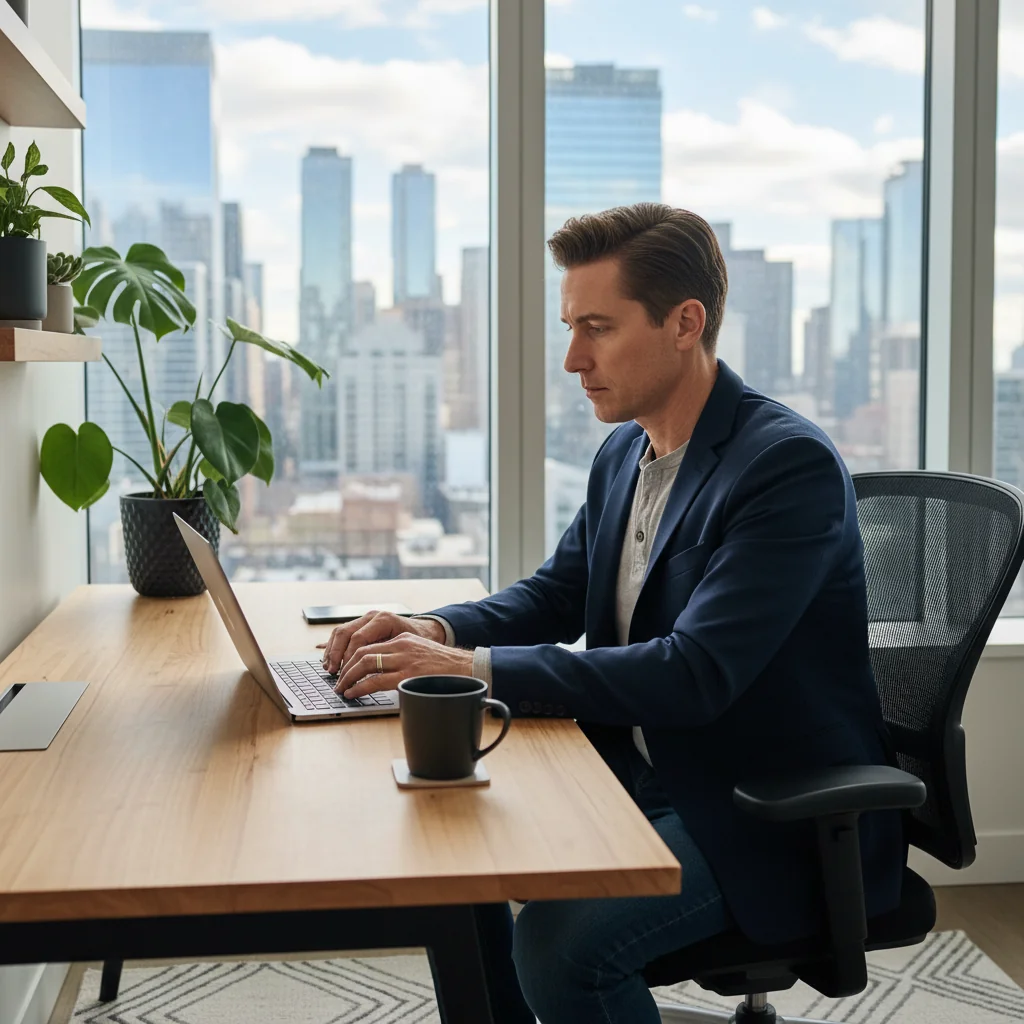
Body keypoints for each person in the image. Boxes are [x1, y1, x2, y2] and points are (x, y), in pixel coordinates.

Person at [318, 203, 905, 1024]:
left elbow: (694, 673)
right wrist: (434, 631)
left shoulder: (784, 467)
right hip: (632, 774)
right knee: (460, 871)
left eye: (598, 327)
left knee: (564, 947)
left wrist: (470, 674)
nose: (572, 358)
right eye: (570, 327)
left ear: (683, 324)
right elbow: (555, 594)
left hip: (758, 810)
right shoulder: (626, 449)